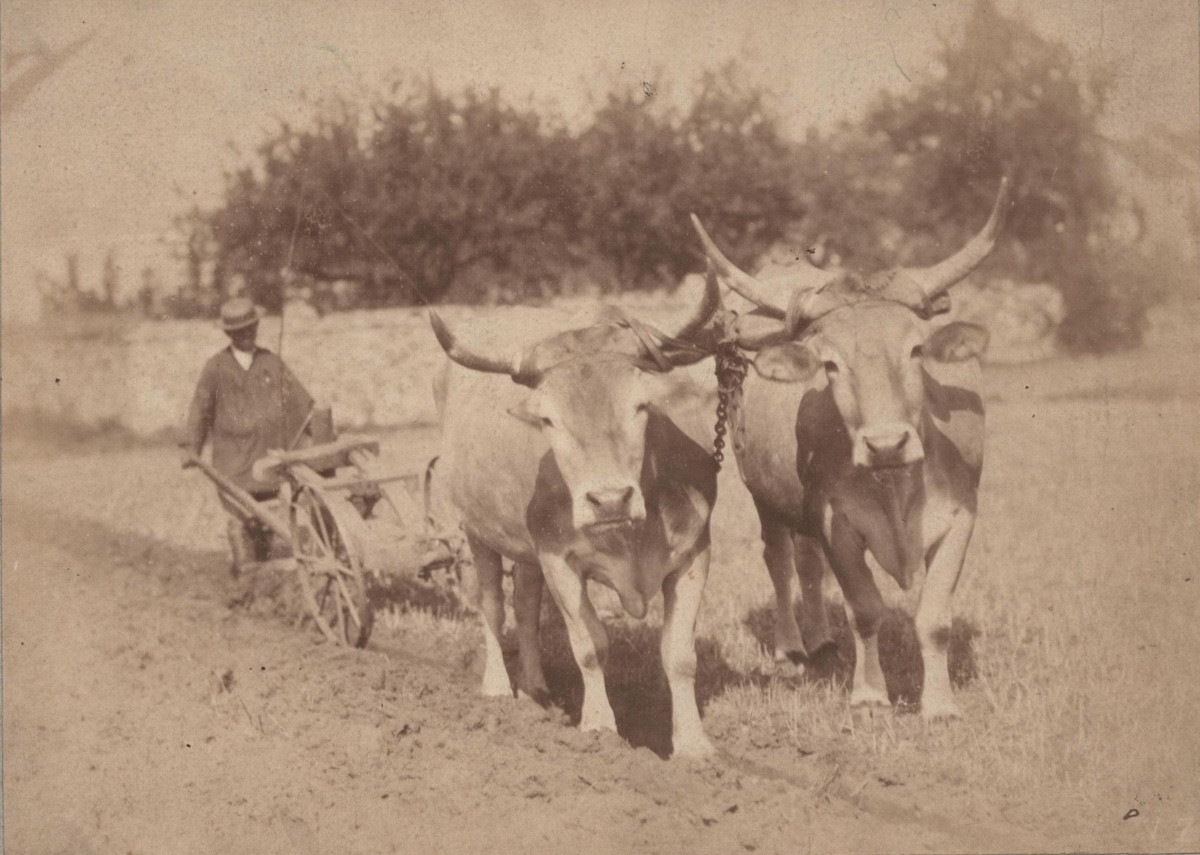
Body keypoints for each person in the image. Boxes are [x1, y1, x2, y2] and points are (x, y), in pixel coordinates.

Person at [181, 296, 315, 575]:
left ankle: (267, 565)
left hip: (270, 457)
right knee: (243, 517)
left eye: (251, 329)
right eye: (240, 332)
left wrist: (317, 426)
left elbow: (301, 402)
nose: (247, 336)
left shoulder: (271, 362)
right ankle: (247, 570)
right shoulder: (216, 367)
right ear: (230, 334)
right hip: (235, 461)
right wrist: (190, 447)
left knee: (273, 511)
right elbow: (200, 408)